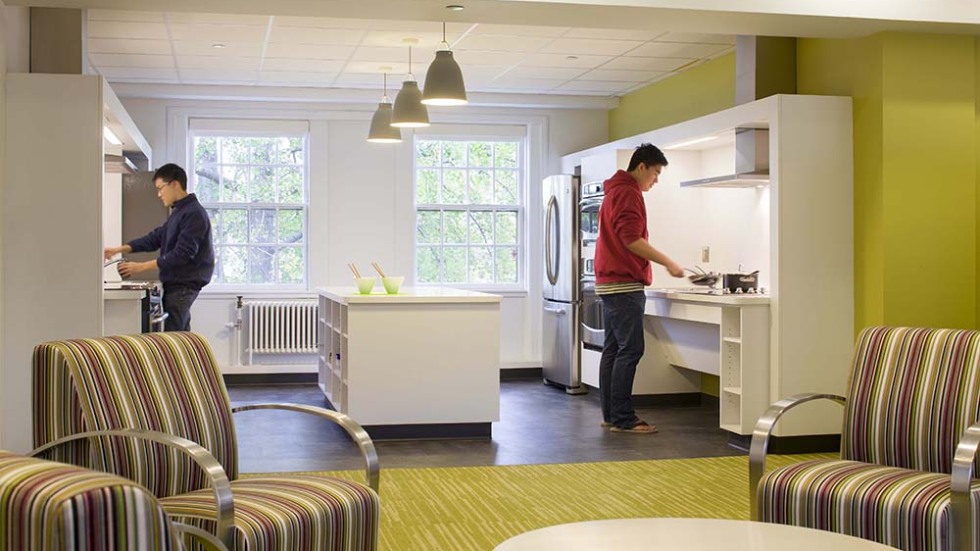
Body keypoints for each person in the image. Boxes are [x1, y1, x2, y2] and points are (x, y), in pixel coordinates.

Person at [594, 143, 684, 434]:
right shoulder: (628, 192)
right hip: (623, 284)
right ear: (641, 166)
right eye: (656, 173)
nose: (656, 180)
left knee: (613, 350)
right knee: (630, 350)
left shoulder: (614, 191)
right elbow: (631, 239)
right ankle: (624, 418)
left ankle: (611, 415)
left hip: (609, 283)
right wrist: (668, 262)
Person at [104, 163, 215, 332]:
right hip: (177, 285)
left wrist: (140, 267)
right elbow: (155, 238)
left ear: (174, 184)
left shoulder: (193, 214)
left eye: (160, 188)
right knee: (178, 336)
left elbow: (181, 254)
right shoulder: (180, 212)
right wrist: (118, 249)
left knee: (176, 338)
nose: (159, 194)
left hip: (183, 286)